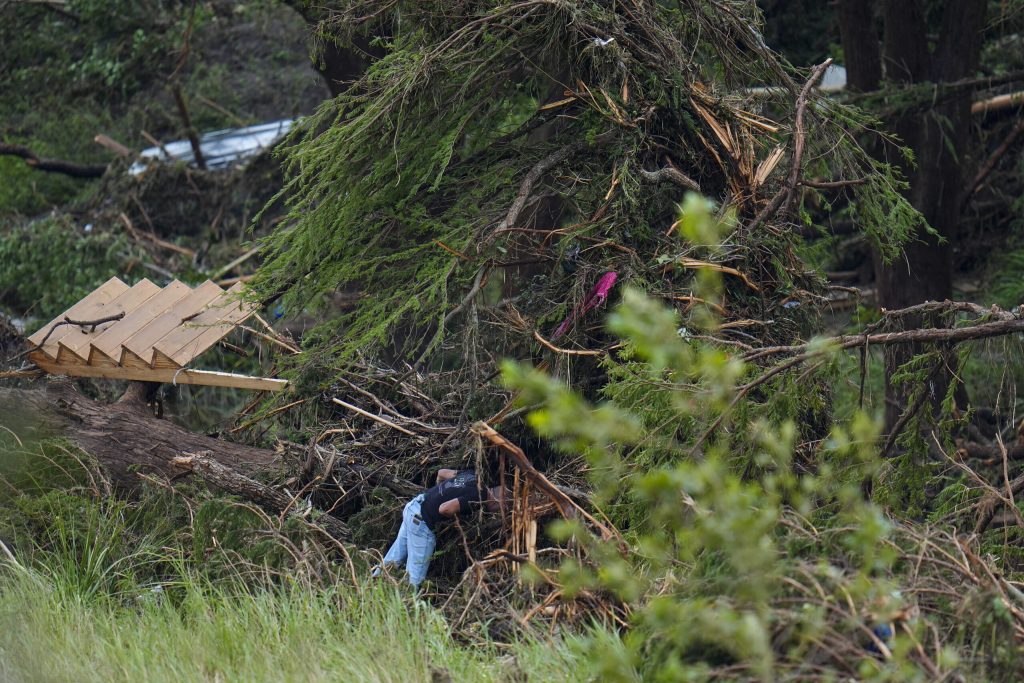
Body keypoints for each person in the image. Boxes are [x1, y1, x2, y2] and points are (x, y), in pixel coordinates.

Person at [374, 468, 504, 589]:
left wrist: (438, 496)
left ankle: (373, 586)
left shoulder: (472, 476)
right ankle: (407, 601)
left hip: (414, 506)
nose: (497, 512)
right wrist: (457, 520)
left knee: (393, 558)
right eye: (501, 508)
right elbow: (445, 509)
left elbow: (441, 473)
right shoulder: (478, 496)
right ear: (497, 501)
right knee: (415, 577)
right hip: (422, 521)